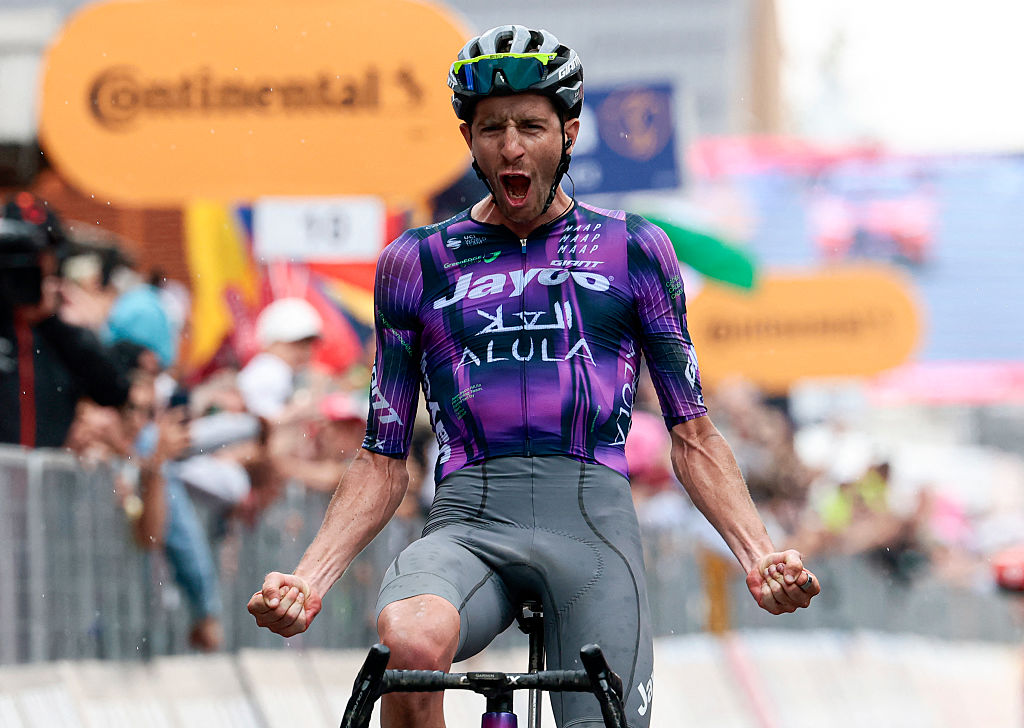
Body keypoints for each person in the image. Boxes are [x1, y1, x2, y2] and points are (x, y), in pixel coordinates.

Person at [249, 24, 820, 728]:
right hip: (468, 522)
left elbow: (693, 434)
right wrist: (309, 579)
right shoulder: (416, 261)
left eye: (530, 126)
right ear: (468, 139)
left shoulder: (635, 249)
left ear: (570, 131)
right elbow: (381, 456)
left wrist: (758, 554)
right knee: (411, 640)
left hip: (590, 526)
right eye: (491, 128)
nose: (511, 147)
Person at [0, 200, 129, 447]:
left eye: (40, 251)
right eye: (15, 251)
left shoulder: (61, 332)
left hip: (44, 483)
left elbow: (114, 390)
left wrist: (53, 322)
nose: (30, 263)